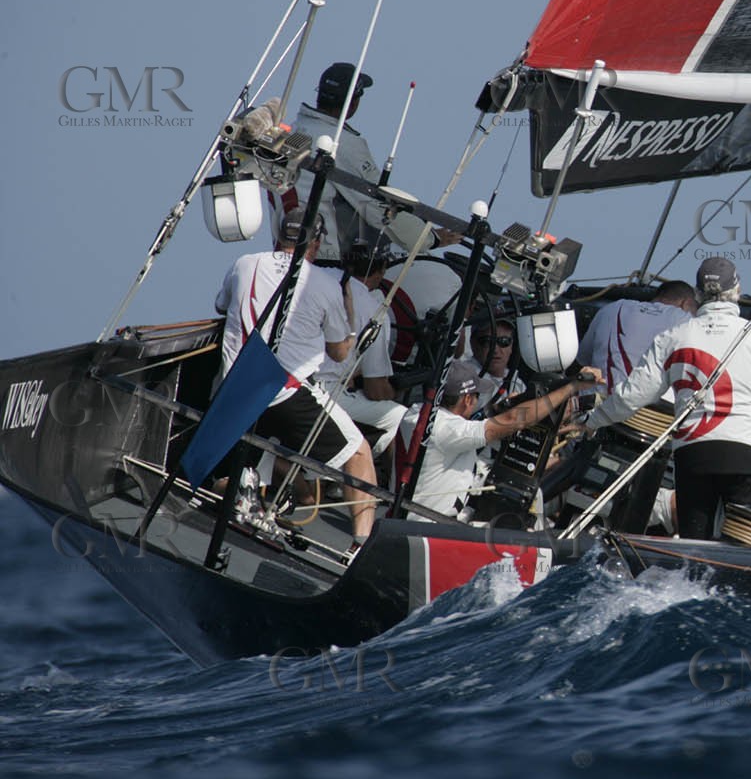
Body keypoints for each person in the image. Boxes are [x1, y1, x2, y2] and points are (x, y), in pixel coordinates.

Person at [564, 257, 751, 540]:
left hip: (691, 458)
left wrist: (591, 421)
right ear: (737, 291)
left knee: (693, 545)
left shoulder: (673, 338)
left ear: (698, 295)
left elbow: (632, 396)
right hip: (744, 457)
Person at [213, 207, 380, 543]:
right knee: (359, 453)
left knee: (260, 440)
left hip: (232, 388)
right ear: (315, 245)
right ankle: (360, 548)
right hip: (283, 394)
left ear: (277, 235)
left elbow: (221, 306)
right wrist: (347, 313)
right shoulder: (325, 285)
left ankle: (236, 491)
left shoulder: (244, 263)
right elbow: (339, 352)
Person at [399, 361, 601, 522]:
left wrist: (501, 408)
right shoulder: (450, 430)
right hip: (430, 524)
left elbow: (484, 421)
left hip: (406, 513)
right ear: (468, 400)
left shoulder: (415, 413)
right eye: (477, 396)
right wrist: (572, 386)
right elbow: (514, 420)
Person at [266, 62, 380, 264]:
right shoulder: (344, 143)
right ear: (353, 103)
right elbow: (378, 208)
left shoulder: (293, 132)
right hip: (323, 261)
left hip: (281, 256)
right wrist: (430, 239)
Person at [313, 238, 406, 474]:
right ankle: (395, 489)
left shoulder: (319, 275)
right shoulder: (376, 310)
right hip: (326, 391)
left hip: (291, 375)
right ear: (383, 269)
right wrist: (396, 391)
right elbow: (375, 390)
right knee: (403, 418)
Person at [576, 280, 698, 391]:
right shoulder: (686, 320)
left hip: (593, 407)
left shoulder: (612, 308)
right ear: (686, 304)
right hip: (649, 412)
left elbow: (583, 358)